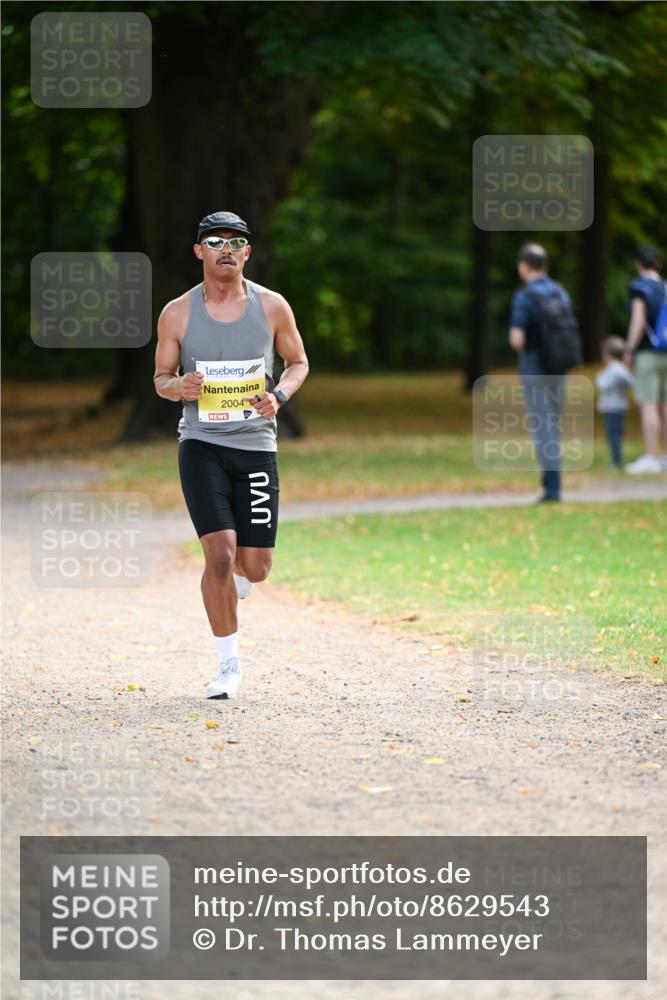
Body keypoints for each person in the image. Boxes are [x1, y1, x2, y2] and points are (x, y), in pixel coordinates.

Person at [154, 211, 309, 699]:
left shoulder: (273, 306)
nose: (226, 248)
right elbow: (160, 380)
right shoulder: (177, 312)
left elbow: (298, 362)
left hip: (256, 444)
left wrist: (278, 397)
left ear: (248, 252)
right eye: (215, 241)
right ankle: (228, 666)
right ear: (199, 251)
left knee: (256, 565)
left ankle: (242, 577)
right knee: (218, 554)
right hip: (201, 445)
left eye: (236, 241)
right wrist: (180, 385)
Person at [508, 243, 573, 502]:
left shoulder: (524, 296)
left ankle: (552, 488)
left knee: (542, 425)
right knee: (552, 424)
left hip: (534, 363)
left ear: (524, 266)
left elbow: (516, 338)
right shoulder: (561, 292)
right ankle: (553, 485)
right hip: (559, 364)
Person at [623, 245, 667, 474]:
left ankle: (651, 456)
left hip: (648, 353)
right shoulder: (665, 286)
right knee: (665, 405)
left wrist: (629, 349)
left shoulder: (639, 287)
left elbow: (638, 320)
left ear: (638, 264)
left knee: (648, 404)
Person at [595, 336, 633, 470]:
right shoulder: (623, 369)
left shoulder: (613, 369)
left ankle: (617, 461)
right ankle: (617, 459)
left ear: (607, 354)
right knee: (617, 434)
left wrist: (599, 377)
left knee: (613, 436)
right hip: (620, 406)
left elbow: (603, 385)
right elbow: (631, 382)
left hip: (612, 407)